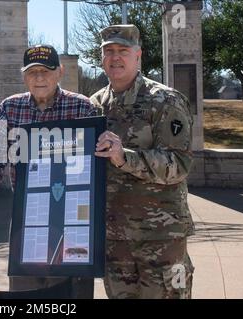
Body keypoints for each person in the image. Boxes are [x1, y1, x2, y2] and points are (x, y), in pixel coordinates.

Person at [0, 44, 96, 295]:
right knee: (25, 294)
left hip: (73, 222)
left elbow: (97, 171)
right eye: (32, 72)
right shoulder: (10, 109)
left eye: (46, 70)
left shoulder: (83, 108)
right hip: (27, 222)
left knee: (72, 294)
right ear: (24, 76)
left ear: (60, 72)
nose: (39, 77)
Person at [90, 24, 195, 299]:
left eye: (123, 51)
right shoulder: (94, 106)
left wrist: (125, 157)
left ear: (138, 56)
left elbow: (180, 165)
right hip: (114, 240)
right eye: (108, 51)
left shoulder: (164, 101)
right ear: (101, 58)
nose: (115, 57)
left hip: (161, 238)